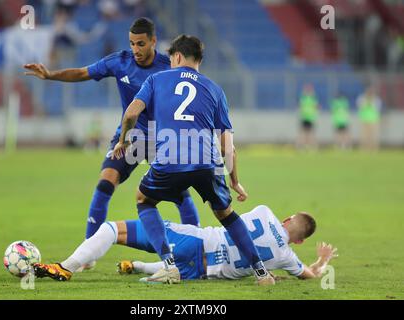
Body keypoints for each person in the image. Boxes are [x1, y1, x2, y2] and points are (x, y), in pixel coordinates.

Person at [24, 18, 200, 269]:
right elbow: (83, 72)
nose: (136, 49)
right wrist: (50, 75)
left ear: (153, 41)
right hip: (130, 137)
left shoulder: (168, 67)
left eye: (141, 43)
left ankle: (198, 243)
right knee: (105, 182)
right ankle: (88, 252)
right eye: (132, 43)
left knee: (180, 193)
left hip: (162, 139)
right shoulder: (120, 61)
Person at [111, 35, 273, 285]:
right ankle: (261, 272)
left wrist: (123, 140)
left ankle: (168, 265)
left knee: (144, 200)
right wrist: (235, 181)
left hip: (170, 160)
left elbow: (131, 113)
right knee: (227, 214)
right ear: (198, 59)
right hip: (207, 163)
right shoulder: (215, 90)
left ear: (176, 57)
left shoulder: (156, 79)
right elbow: (228, 146)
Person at [33, 205, 338, 282]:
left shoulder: (264, 211)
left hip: (197, 241)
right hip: (202, 272)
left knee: (114, 230)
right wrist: (322, 261)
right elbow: (308, 275)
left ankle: (66, 267)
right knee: (168, 266)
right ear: (299, 240)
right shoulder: (285, 256)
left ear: (286, 219)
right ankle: (140, 267)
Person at [356, 86, 382, 151]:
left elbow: (377, 108)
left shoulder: (376, 99)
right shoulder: (362, 98)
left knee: (373, 135)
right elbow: (360, 106)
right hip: (364, 119)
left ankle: (374, 148)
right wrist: (366, 103)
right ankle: (364, 148)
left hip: (374, 120)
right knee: (364, 135)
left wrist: (371, 103)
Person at [297, 84, 319, 150]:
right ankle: (302, 146)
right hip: (305, 117)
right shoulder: (303, 98)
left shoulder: (313, 98)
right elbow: (300, 107)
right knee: (304, 133)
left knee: (310, 133)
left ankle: (310, 146)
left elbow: (316, 107)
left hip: (310, 117)